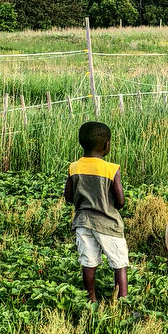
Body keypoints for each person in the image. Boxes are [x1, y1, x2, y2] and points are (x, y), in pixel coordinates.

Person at [64, 121, 129, 303]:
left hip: (83, 222)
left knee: (88, 262)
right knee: (119, 263)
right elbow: (120, 201)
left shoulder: (74, 167)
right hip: (108, 223)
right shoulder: (111, 169)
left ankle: (91, 299)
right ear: (106, 146)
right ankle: (121, 300)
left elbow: (68, 197)